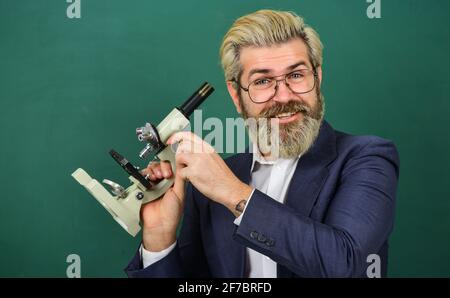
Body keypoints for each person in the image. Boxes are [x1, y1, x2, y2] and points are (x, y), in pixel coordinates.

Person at [125, 9, 399, 278]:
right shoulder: (209, 185)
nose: (282, 97)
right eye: (263, 81)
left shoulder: (367, 158)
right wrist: (159, 237)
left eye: (295, 75)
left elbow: (345, 263)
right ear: (236, 95)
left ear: (317, 77)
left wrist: (232, 193)